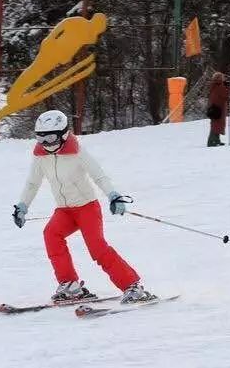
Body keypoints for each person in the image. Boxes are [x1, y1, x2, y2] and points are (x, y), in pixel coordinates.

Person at [11, 110, 155, 305]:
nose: (46, 144)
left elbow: (99, 175)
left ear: (63, 134)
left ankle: (133, 286)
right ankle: (70, 285)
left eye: (51, 137)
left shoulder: (77, 151)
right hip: (64, 210)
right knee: (51, 234)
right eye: (40, 138)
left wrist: (114, 196)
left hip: (87, 207)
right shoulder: (41, 155)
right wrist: (22, 206)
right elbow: (32, 183)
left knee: (97, 248)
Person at [207, 72, 230, 147]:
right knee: (217, 125)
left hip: (213, 107)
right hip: (219, 108)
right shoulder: (220, 86)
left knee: (216, 124)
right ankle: (211, 141)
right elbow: (227, 94)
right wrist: (228, 87)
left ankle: (216, 140)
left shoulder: (213, 85)